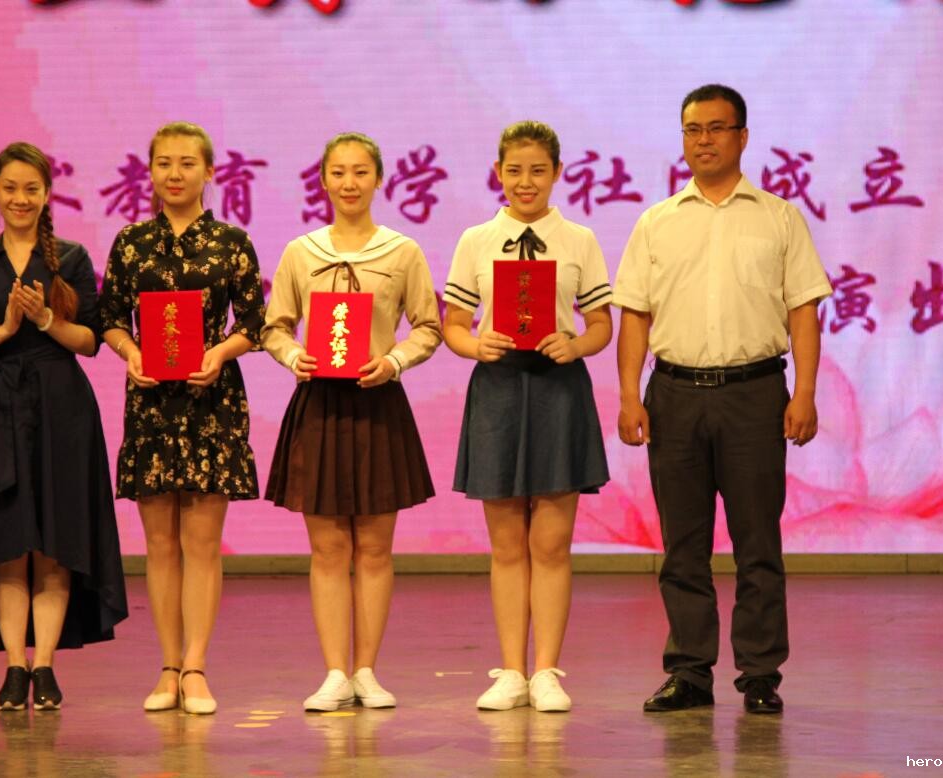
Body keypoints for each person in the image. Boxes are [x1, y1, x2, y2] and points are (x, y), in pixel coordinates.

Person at [614, 84, 831, 715]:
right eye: (692, 129)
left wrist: (805, 392)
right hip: (674, 395)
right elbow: (634, 315)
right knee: (682, 545)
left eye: (716, 128)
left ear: (742, 136)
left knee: (757, 542)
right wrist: (629, 395)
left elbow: (803, 309)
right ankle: (689, 672)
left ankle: (760, 674)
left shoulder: (779, 217)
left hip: (754, 395)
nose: (703, 140)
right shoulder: (656, 221)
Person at [0, 141, 129, 711]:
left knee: (54, 542)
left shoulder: (70, 257)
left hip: (61, 407)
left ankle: (43, 664)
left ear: (47, 194)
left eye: (31, 188)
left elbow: (90, 341)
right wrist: (3, 330)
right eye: (10, 188)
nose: (20, 198)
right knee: (6, 542)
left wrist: (47, 319)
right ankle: (13, 667)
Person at [262, 132, 442, 712]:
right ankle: (334, 673)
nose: (349, 183)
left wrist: (394, 361)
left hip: (378, 404)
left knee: (375, 547)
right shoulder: (301, 252)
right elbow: (275, 327)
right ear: (322, 180)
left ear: (379, 179)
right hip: (319, 406)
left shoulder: (402, 251)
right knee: (328, 548)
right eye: (338, 172)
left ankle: (367, 671)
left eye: (361, 172)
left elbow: (429, 327)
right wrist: (294, 356)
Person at [443, 121, 614, 713]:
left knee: (552, 542)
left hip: (558, 388)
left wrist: (576, 343)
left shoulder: (579, 240)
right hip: (498, 388)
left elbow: (601, 324)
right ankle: (511, 671)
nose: (525, 181)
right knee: (507, 543)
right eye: (514, 170)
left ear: (557, 173)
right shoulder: (476, 240)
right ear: (498, 172)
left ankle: (547, 672)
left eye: (538, 170)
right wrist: (476, 345)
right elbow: (453, 324)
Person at [99, 122, 266, 715]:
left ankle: (196, 666)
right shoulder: (131, 242)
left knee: (202, 543)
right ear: (150, 172)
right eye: (164, 163)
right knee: (160, 544)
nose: (175, 174)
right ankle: (167, 666)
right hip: (150, 402)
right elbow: (109, 317)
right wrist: (131, 352)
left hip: (210, 402)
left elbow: (255, 322)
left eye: (187, 163)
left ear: (209, 171)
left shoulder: (231, 242)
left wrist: (220, 353)